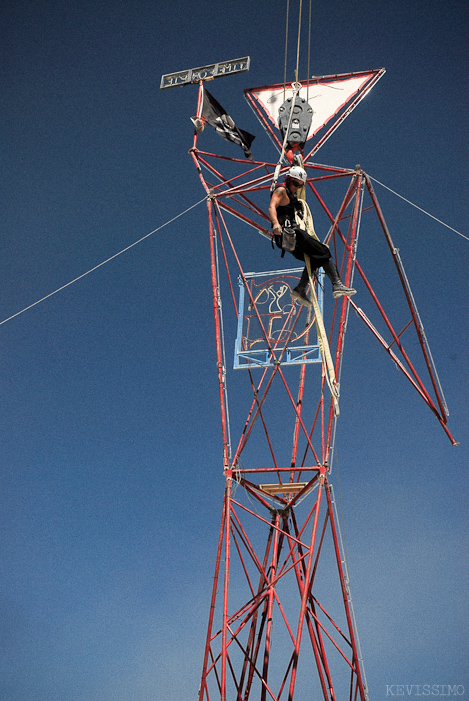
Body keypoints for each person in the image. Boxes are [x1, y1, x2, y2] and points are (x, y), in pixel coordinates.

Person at [268, 166, 356, 306]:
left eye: (300, 185)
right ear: (289, 180)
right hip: (290, 233)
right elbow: (272, 207)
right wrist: (275, 224)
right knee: (324, 251)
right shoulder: (281, 191)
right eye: (295, 184)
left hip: (289, 238)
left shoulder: (292, 196)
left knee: (315, 258)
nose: (297, 187)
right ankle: (337, 284)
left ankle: (300, 289)